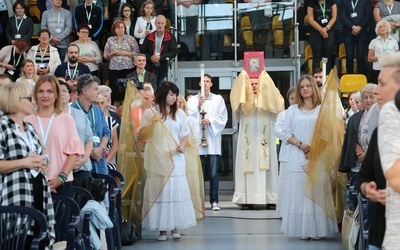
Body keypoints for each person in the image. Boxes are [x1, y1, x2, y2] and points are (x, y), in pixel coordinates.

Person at [280, 75, 338, 239]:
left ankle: (317, 230)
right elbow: (285, 133)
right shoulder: (292, 110)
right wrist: (300, 145)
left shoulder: (322, 109)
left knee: (316, 193)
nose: (305, 89)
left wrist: (315, 150)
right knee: (299, 194)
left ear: (314, 88)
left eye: (308, 86)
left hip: (318, 157)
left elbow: (328, 132)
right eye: (302, 87)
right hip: (297, 157)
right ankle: (303, 230)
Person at [0, 81, 56, 249]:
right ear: (15, 100)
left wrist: (41, 162)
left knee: (38, 237)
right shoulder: (2, 126)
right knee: (18, 240)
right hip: (14, 193)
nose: (34, 102)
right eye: (29, 98)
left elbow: (37, 157)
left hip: (37, 189)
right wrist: (25, 162)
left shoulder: (30, 127)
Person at [139, 81, 197, 241]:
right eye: (171, 95)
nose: (173, 98)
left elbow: (185, 133)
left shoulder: (180, 114)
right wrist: (153, 123)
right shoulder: (151, 112)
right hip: (158, 158)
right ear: (163, 95)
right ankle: (162, 229)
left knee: (175, 191)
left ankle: (175, 227)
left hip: (176, 158)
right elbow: (141, 133)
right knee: (161, 191)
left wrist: (182, 146)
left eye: (175, 95)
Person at [356, 52, 400, 250]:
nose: (377, 91)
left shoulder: (388, 121)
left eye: (382, 84)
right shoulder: (381, 131)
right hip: (381, 232)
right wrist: (368, 189)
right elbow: (363, 176)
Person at [230, 70, 284, 210]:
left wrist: (265, 76)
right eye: (251, 84)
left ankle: (270, 198)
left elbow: (279, 104)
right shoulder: (243, 101)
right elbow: (235, 98)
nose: (254, 86)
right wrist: (243, 76)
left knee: (267, 165)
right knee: (247, 165)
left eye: (257, 83)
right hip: (248, 140)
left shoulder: (268, 100)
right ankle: (246, 199)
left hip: (264, 139)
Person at [187, 74, 228, 211]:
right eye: (203, 81)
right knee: (198, 173)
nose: (205, 83)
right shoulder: (192, 100)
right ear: (199, 84)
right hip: (198, 140)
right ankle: (198, 201)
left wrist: (210, 121)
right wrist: (197, 106)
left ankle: (214, 201)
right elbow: (187, 116)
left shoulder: (218, 99)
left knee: (213, 174)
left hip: (212, 139)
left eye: (207, 81)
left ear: (211, 84)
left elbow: (223, 117)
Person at [71, 74, 111, 175]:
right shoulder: (71, 112)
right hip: (81, 166)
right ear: (85, 91)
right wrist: (89, 153)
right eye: (95, 89)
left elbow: (106, 133)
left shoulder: (98, 111)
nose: (98, 92)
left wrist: (100, 148)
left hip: (100, 164)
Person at [59, 81, 94, 182]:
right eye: (58, 91)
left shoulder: (80, 114)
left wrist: (84, 159)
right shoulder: (50, 116)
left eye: (64, 91)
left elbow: (89, 139)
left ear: (70, 95)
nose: (62, 94)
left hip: (82, 167)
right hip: (60, 168)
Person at [104, 20, 140, 107]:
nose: (120, 29)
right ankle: (116, 110)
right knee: (116, 91)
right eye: (117, 27)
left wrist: (125, 53)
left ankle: (128, 110)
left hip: (128, 68)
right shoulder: (110, 40)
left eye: (121, 27)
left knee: (128, 90)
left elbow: (137, 53)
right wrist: (114, 53)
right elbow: (105, 55)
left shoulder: (130, 39)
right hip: (114, 69)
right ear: (114, 29)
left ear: (125, 28)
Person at [274, 86, 296, 216]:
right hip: (287, 153)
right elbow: (277, 130)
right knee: (285, 183)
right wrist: (291, 137)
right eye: (292, 98)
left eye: (296, 98)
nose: (294, 101)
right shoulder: (283, 115)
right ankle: (283, 211)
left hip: (300, 153)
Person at [141, 15, 178, 86]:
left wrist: (161, 57)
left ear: (165, 24)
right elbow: (143, 52)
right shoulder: (149, 37)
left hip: (164, 67)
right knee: (151, 89)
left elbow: (174, 52)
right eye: (158, 23)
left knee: (162, 89)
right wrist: (150, 58)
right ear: (155, 23)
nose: (160, 25)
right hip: (150, 67)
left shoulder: (171, 37)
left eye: (162, 23)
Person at [339, 0, 372, 74]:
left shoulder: (366, 1)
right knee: (349, 56)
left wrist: (360, 27)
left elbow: (368, 15)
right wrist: (352, 27)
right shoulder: (344, 1)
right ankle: (349, 77)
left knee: (360, 56)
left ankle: (361, 77)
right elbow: (342, 16)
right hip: (348, 31)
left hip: (362, 31)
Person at [307, 0, 337, 72]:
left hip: (329, 31)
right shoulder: (311, 2)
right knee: (316, 56)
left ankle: (326, 75)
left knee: (327, 55)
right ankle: (316, 77)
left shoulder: (331, 2)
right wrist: (321, 30)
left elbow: (334, 17)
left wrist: (326, 28)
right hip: (316, 32)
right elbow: (310, 19)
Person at [368, 20, 398, 84]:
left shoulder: (394, 41)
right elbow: (369, 58)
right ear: (377, 29)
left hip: (390, 69)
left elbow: (397, 58)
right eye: (380, 27)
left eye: (384, 26)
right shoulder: (374, 41)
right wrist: (381, 57)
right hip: (378, 69)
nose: (382, 28)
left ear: (388, 28)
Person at [98, 85, 120, 170]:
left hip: (110, 159)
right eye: (105, 96)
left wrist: (105, 162)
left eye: (109, 96)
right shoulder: (92, 116)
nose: (108, 99)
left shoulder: (114, 117)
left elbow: (115, 144)